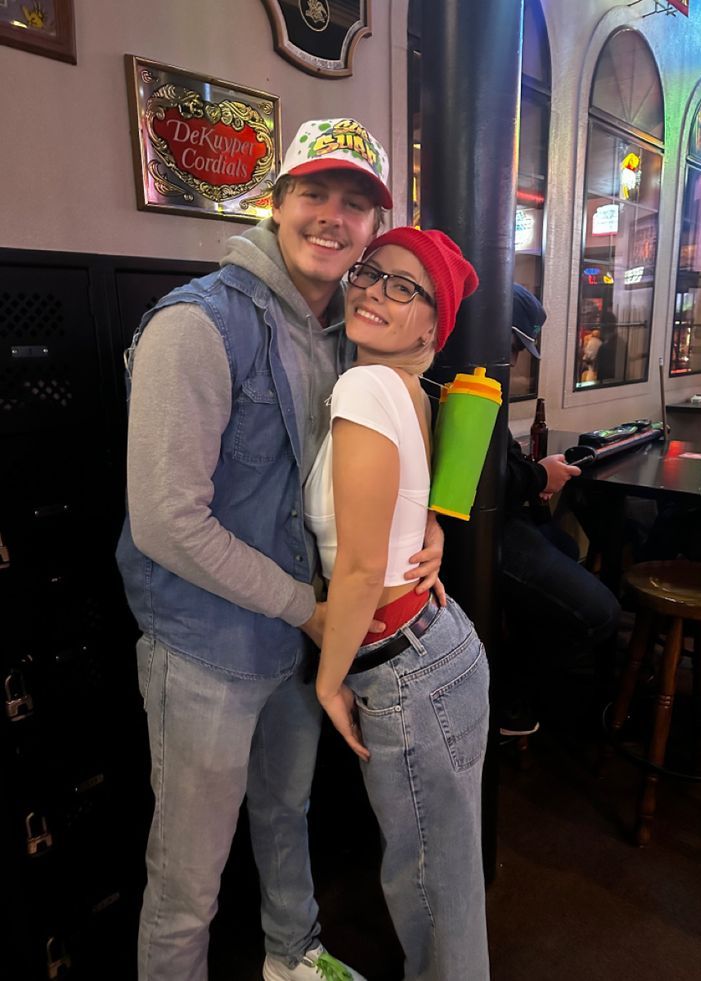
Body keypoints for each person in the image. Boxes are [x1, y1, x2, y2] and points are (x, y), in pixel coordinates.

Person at [115, 118, 444, 981]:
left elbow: (387, 456)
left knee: (285, 815)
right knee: (186, 884)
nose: (333, 217)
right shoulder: (195, 325)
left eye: (356, 203)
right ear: (276, 200)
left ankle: (291, 958)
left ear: (375, 228)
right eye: (314, 193)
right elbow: (164, 520)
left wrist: (428, 529)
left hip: (296, 645)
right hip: (205, 652)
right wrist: (311, 608)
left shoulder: (350, 330)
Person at [304, 228, 491, 980]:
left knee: (428, 896)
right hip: (437, 651)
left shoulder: (364, 386)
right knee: (447, 888)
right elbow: (405, 513)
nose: (375, 291)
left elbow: (355, 567)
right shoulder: (405, 388)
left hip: (405, 671)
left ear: (430, 324)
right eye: (371, 273)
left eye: (403, 288)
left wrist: (328, 678)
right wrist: (432, 526)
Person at [499, 284, 621, 736]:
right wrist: (537, 478)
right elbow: (472, 481)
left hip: (504, 517)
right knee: (601, 612)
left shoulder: (482, 376)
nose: (514, 361)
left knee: (566, 546)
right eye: (512, 346)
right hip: (481, 531)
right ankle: (508, 699)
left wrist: (537, 477)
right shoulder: (460, 376)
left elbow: (496, 464)